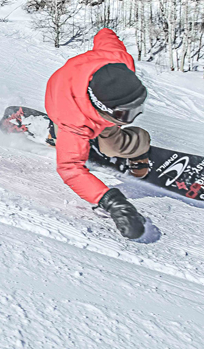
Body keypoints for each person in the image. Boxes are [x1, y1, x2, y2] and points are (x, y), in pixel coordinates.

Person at [45, 27, 150, 239]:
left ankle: (137, 144)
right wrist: (113, 202)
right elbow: (70, 169)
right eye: (126, 114)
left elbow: (105, 35)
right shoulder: (75, 122)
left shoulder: (119, 60)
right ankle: (60, 133)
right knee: (111, 145)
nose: (134, 116)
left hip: (67, 87)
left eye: (138, 108)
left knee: (105, 141)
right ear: (100, 106)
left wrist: (106, 30)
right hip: (63, 105)